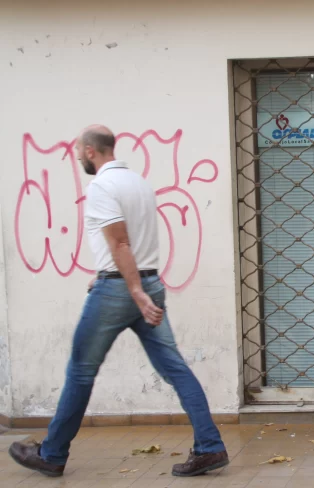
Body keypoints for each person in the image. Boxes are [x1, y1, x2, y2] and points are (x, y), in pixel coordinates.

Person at [8, 125, 229, 478]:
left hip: (122, 291)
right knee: (175, 369)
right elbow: (132, 244)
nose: (77, 156)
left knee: (80, 372)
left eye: (79, 151)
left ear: (91, 151)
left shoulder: (101, 187)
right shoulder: (139, 183)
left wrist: (134, 291)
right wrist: (121, 278)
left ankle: (51, 454)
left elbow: (122, 243)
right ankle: (210, 447)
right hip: (145, 281)